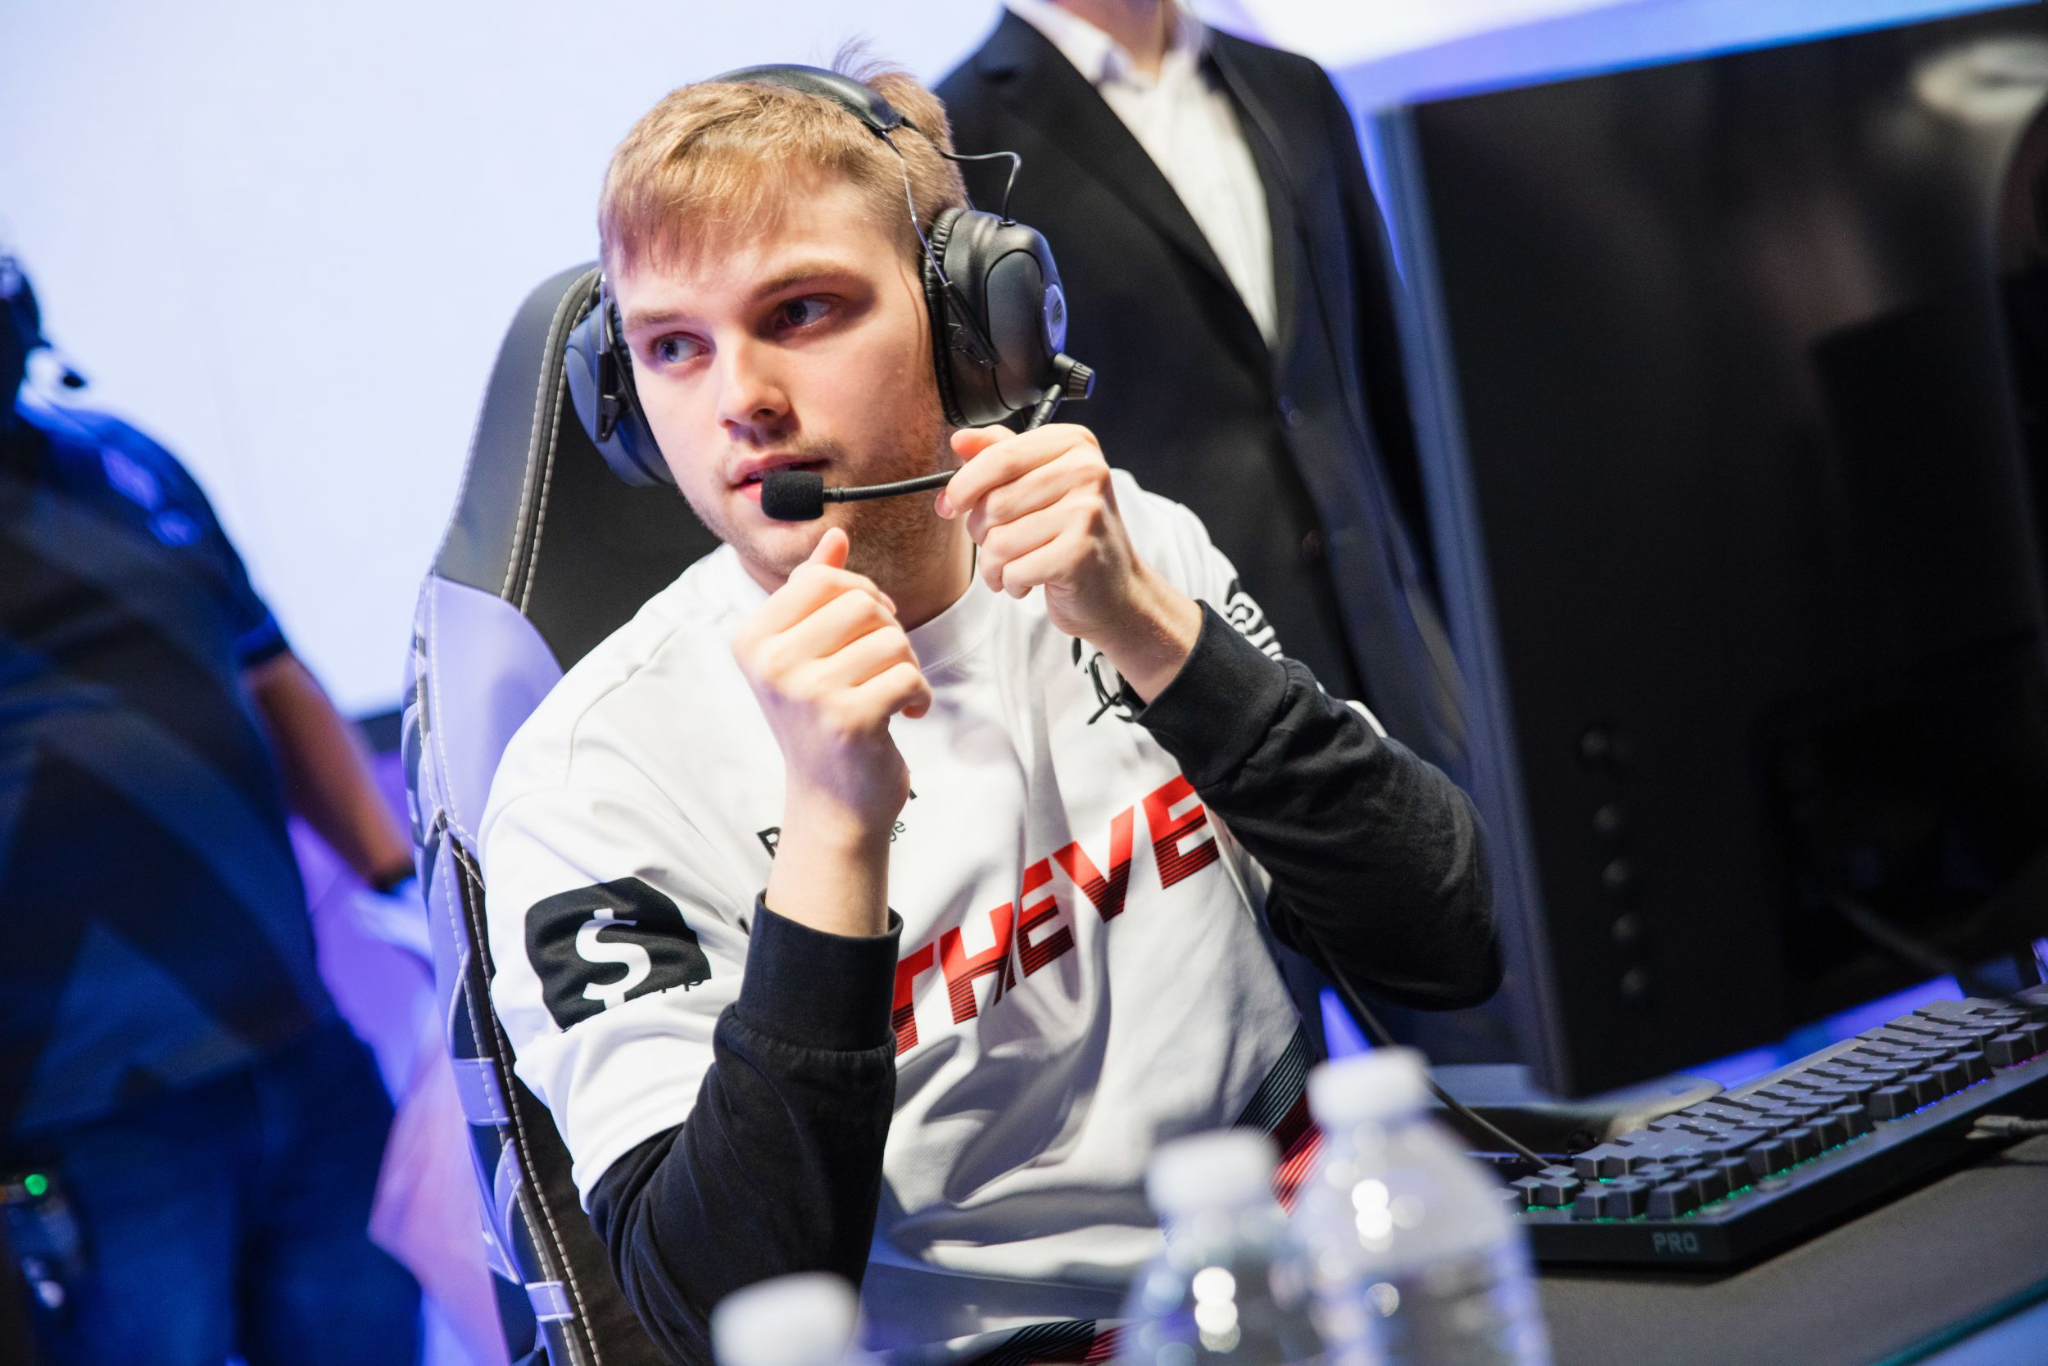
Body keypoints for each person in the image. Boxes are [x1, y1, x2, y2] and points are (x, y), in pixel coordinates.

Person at [478, 59, 1497, 1366]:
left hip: (1296, 1276)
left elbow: (1448, 939)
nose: (739, 399)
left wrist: (1155, 633)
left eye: (800, 310)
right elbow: (712, 1305)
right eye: (673, 346)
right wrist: (832, 829)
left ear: (969, 321)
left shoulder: (1130, 549)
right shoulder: (588, 775)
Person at [0, 256, 421, 1365]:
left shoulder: (123, 461)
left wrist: (401, 887)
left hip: (297, 1043)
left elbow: (269, 672)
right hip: (79, 1108)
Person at [934, 0, 1464, 776]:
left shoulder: (1292, 86)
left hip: (1393, 655)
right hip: (1184, 685)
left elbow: (1394, 387)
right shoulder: (961, 137)